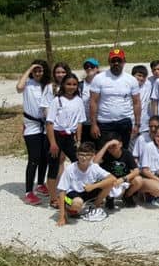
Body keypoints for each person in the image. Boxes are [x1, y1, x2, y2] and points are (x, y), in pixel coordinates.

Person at [43, 71, 85, 202]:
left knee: (78, 162)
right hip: (56, 136)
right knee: (54, 166)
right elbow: (49, 123)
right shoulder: (57, 100)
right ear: (63, 85)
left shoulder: (79, 101)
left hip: (70, 137)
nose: (71, 87)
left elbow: (79, 122)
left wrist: (78, 140)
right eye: (68, 84)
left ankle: (76, 189)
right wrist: (53, 143)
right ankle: (53, 198)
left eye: (74, 84)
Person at [89, 48, 142, 150]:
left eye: (119, 61)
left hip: (125, 123)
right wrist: (93, 124)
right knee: (104, 153)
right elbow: (93, 102)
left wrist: (137, 124)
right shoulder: (99, 78)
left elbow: (136, 103)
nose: (116, 63)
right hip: (104, 123)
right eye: (113, 61)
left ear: (124, 62)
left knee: (123, 152)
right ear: (109, 62)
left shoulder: (131, 80)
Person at [55, 142, 117, 226]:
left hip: (88, 189)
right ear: (77, 155)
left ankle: (95, 206)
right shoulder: (70, 169)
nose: (84, 158)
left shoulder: (94, 167)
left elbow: (113, 178)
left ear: (93, 156)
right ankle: (70, 210)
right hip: (72, 194)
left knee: (109, 183)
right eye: (81, 154)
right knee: (77, 202)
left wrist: (93, 186)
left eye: (87, 155)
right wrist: (61, 217)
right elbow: (61, 191)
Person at [18, 60, 53, 205]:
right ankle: (28, 192)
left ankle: (40, 184)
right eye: (36, 71)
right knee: (34, 158)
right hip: (31, 124)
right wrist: (30, 68)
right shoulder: (28, 84)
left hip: (45, 124)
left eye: (41, 70)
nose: (38, 73)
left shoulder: (48, 85)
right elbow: (19, 87)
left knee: (45, 156)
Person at [95, 138, 143, 209]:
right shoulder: (105, 154)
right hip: (109, 181)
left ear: (120, 144)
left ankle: (127, 196)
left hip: (123, 180)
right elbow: (94, 163)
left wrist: (123, 179)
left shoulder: (126, 153)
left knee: (139, 180)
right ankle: (109, 198)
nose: (112, 149)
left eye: (114, 145)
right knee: (105, 181)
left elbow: (136, 171)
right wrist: (106, 146)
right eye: (109, 147)